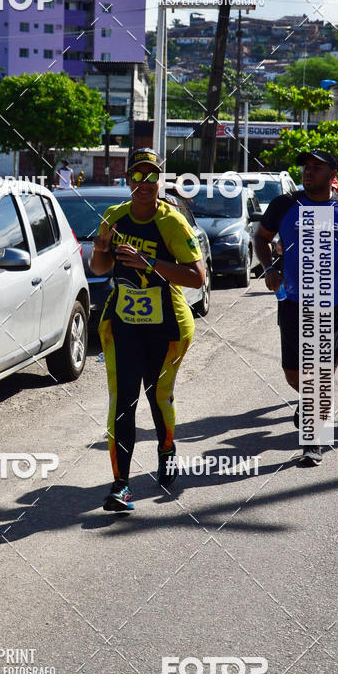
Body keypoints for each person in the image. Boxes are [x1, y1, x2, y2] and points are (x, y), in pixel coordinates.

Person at [89, 147, 205, 511]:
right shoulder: (114, 216)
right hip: (124, 323)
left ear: (160, 181)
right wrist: (101, 248)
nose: (144, 184)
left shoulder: (172, 222)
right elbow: (98, 268)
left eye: (151, 177)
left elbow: (196, 277)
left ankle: (167, 450)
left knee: (158, 396)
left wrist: (148, 262)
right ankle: (120, 485)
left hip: (166, 326)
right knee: (123, 402)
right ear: (127, 181)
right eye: (137, 177)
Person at [255, 149, 338, 467]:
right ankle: (307, 400)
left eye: (316, 168)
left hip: (334, 300)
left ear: (333, 177)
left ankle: (314, 440)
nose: (308, 172)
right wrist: (269, 268)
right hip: (293, 300)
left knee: (319, 372)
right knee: (295, 373)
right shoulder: (285, 205)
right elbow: (261, 237)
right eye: (306, 167)